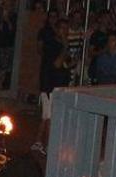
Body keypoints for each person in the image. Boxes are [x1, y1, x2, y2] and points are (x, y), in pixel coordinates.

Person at [32, 18, 72, 156]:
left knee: (46, 116)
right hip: (50, 86)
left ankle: (38, 141)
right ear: (57, 29)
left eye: (67, 29)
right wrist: (65, 48)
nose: (65, 31)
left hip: (56, 85)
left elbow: (66, 65)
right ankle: (49, 145)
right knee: (50, 117)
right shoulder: (53, 44)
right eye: (62, 28)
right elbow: (56, 64)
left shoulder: (61, 44)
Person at [0, 0, 18, 89]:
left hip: (8, 45)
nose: (7, 7)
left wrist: (7, 21)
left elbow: (13, 31)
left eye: (9, 5)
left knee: (5, 67)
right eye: (5, 5)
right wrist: (1, 22)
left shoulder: (14, 16)